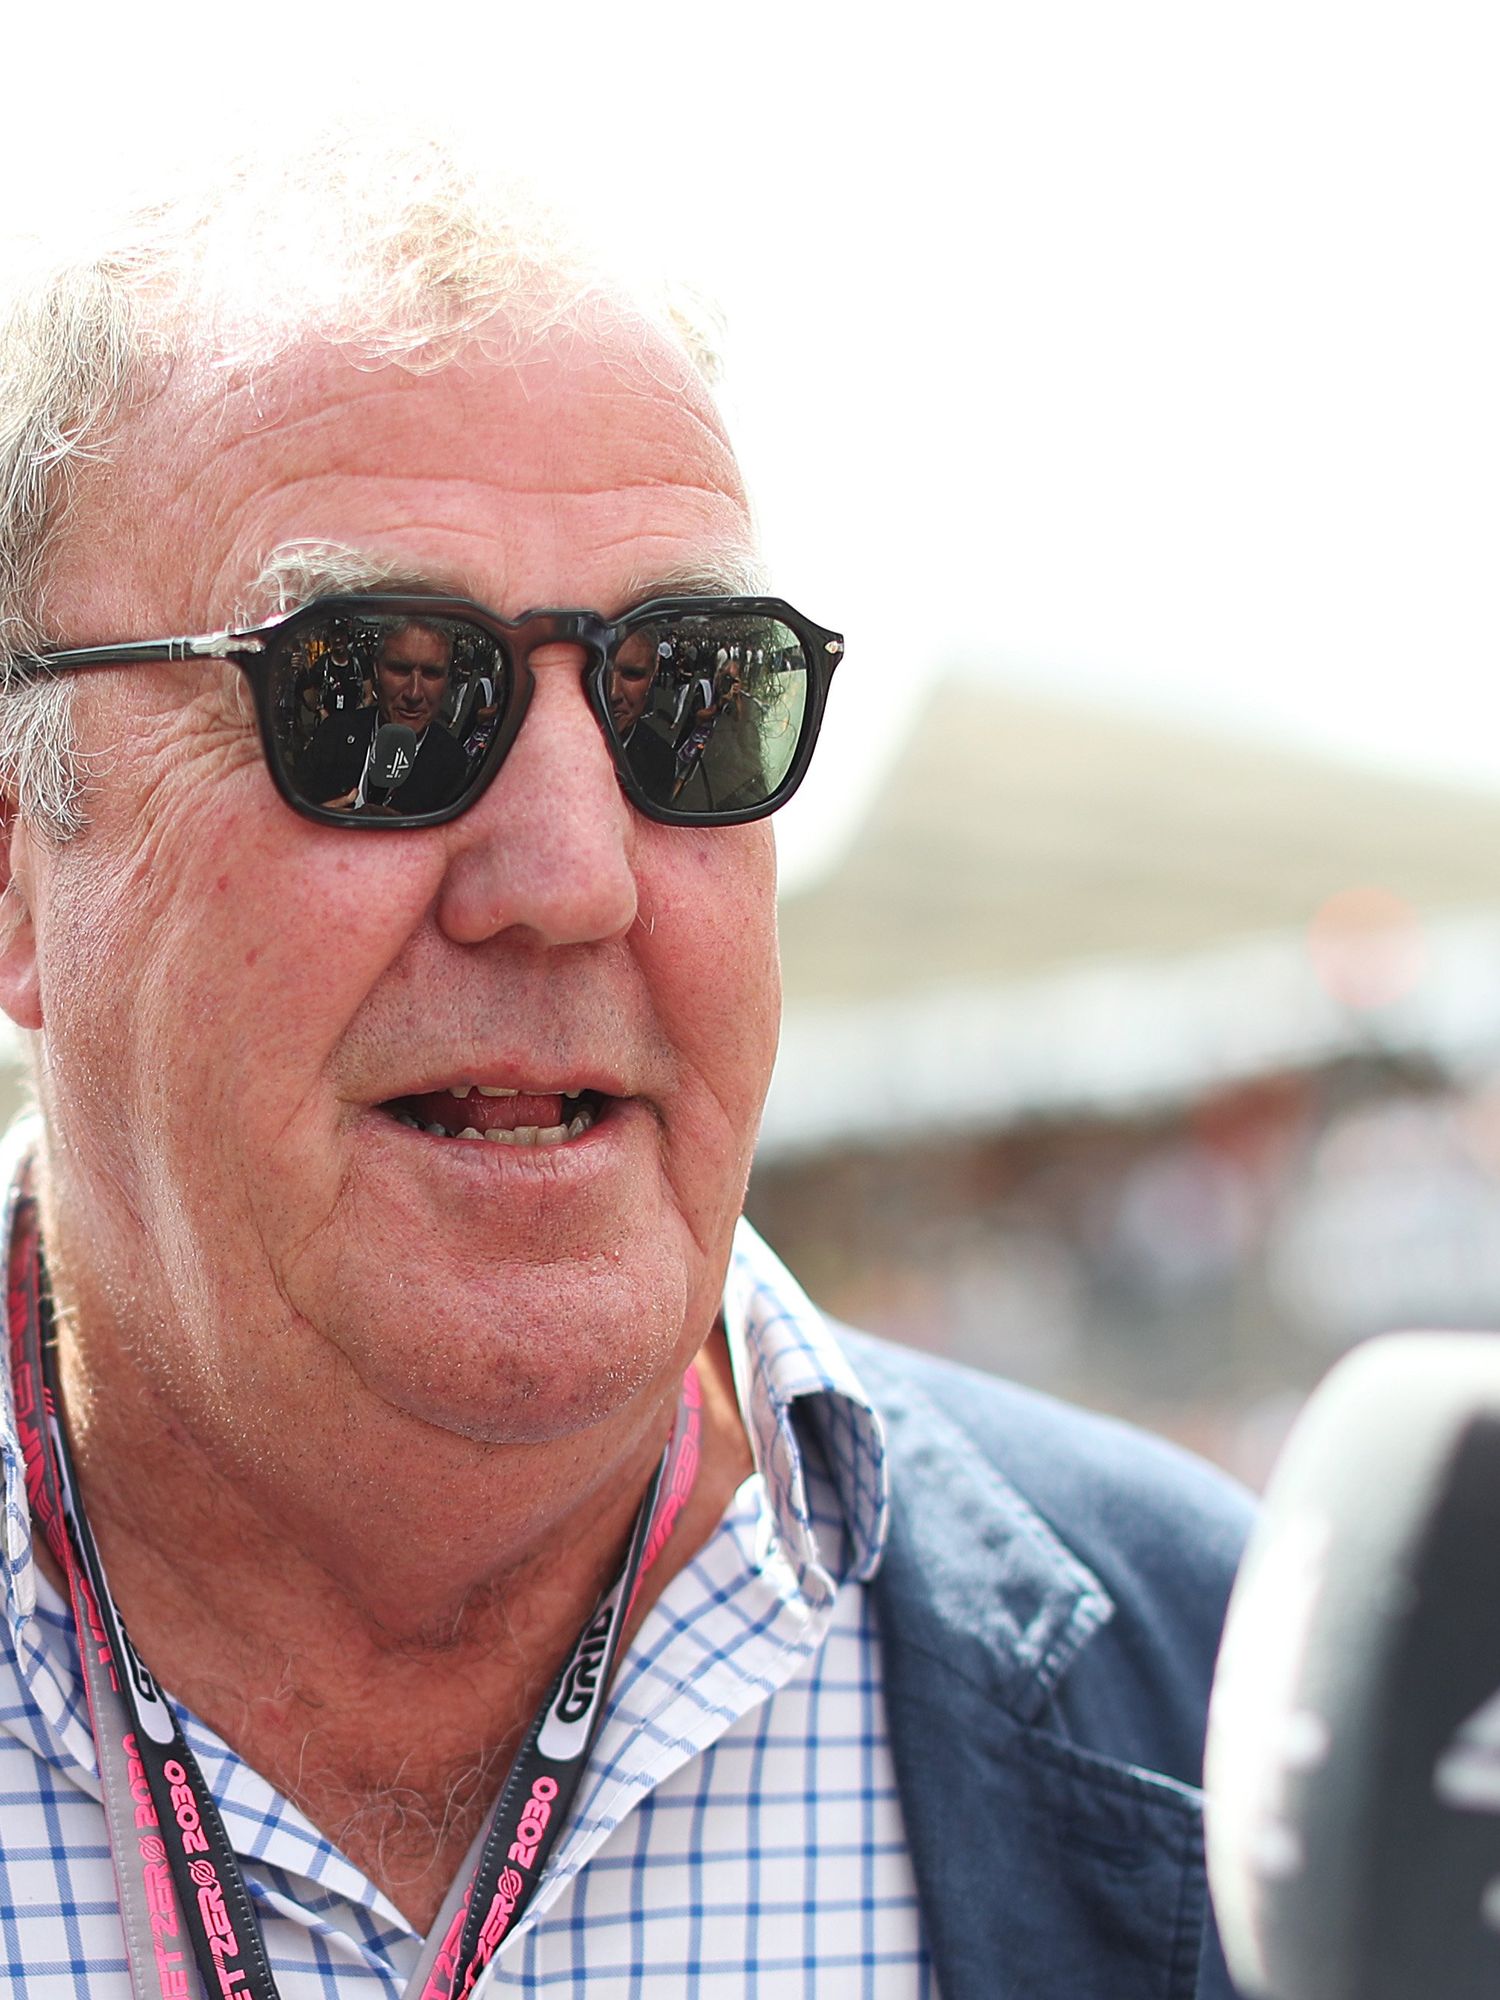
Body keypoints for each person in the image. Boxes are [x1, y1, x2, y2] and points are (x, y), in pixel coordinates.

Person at [0, 142, 1251, 1998]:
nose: (574, 877)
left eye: (689, 692)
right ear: (22, 863)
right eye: (377, 699)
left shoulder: (1242, 1708)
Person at [299, 617, 471, 813]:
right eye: (400, 670)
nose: (414, 693)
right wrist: (317, 820)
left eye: (431, 673)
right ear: (376, 671)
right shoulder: (334, 734)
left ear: (447, 681)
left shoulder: (453, 764)